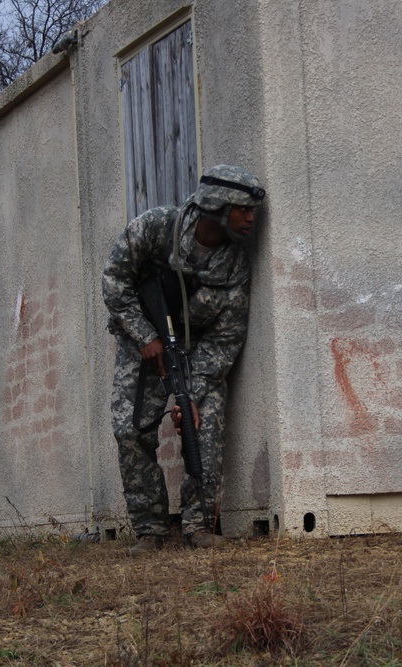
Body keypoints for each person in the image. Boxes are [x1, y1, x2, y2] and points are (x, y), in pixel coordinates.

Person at [103, 164, 265, 556]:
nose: (251, 218)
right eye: (243, 209)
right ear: (217, 207)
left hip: (198, 356)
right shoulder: (157, 228)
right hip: (144, 345)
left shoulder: (233, 265)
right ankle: (151, 529)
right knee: (129, 429)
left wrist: (189, 395)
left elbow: (228, 337)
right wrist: (145, 336)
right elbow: (115, 280)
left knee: (203, 426)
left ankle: (199, 525)